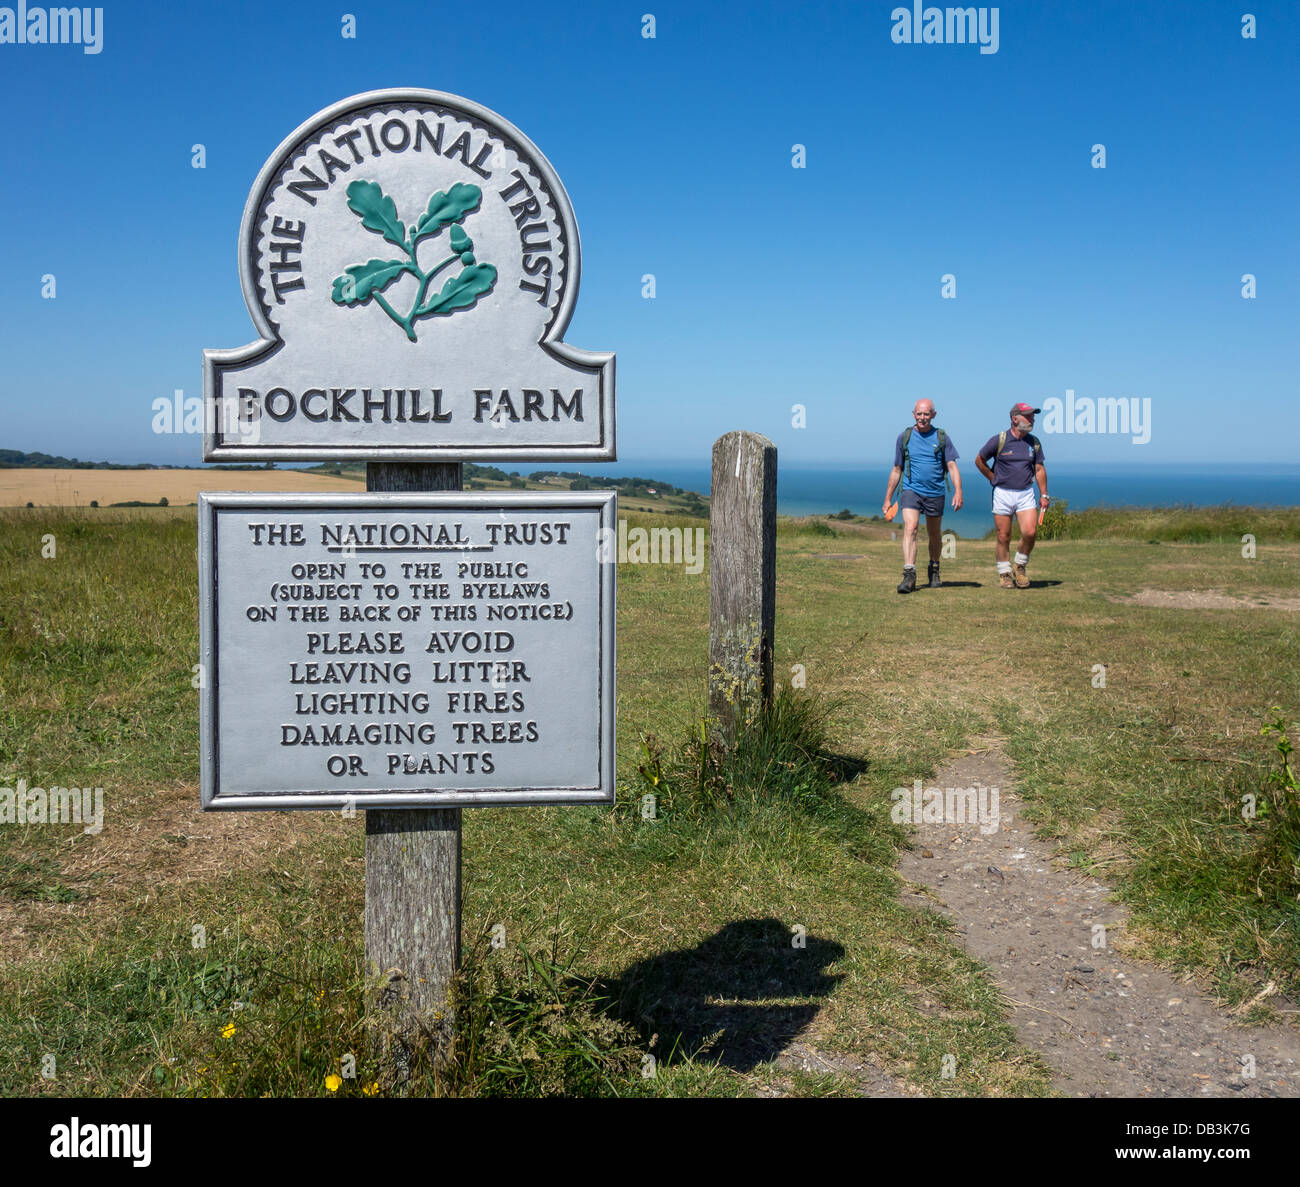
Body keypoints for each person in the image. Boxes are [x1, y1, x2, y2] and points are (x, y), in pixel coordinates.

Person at [883, 399, 963, 593]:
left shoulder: (942, 437)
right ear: (913, 414)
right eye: (919, 414)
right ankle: (909, 575)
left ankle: (934, 569)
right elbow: (896, 469)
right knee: (911, 527)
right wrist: (888, 498)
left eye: (926, 414)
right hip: (911, 490)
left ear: (933, 415)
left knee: (934, 534)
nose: (922, 418)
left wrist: (958, 491)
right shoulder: (905, 437)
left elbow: (952, 467)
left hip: (936, 492)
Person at [974, 403, 1049, 589]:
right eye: (1028, 416)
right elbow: (979, 460)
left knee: (1030, 532)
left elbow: (1039, 468)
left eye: (1033, 416)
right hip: (1002, 494)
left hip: (1025, 493)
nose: (1032, 419)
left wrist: (1044, 494)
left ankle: (1020, 567)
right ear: (1015, 419)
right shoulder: (999, 440)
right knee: (1003, 535)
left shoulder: (1035, 442)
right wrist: (993, 478)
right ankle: (1005, 574)